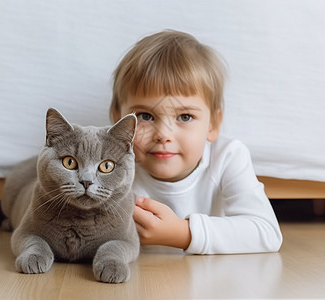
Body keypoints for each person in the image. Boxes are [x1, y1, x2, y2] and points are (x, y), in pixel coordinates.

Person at [109, 30, 283, 254]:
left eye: (185, 117)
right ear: (118, 121)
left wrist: (184, 233)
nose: (163, 134)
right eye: (145, 116)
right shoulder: (110, 166)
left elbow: (266, 232)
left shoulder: (228, 156)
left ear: (212, 125)